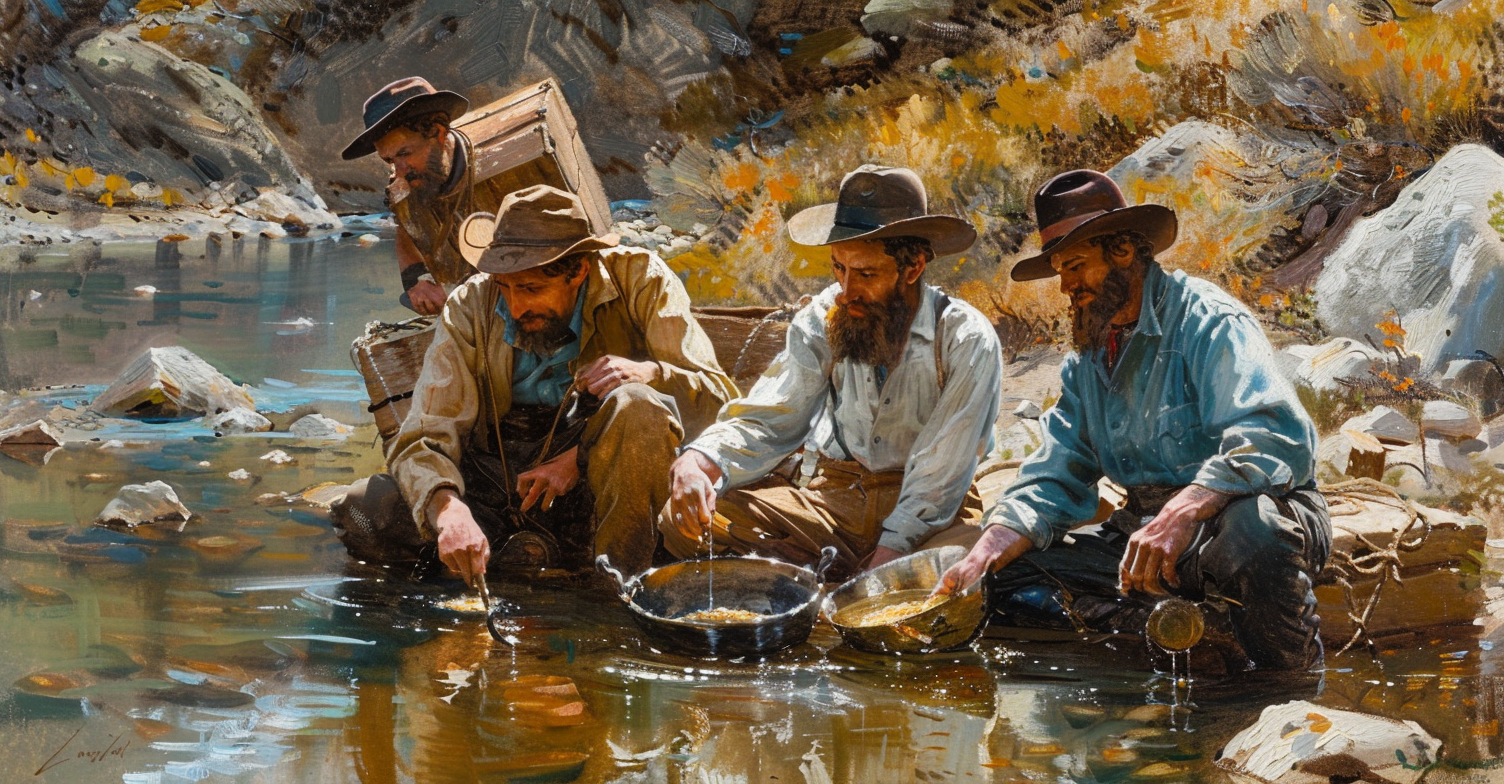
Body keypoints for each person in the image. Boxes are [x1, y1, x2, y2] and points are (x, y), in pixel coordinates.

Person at [935, 170, 1331, 671]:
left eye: (1075, 266)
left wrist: (1184, 511)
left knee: (1254, 533)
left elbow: (1277, 436)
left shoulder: (1209, 322)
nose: (1066, 287)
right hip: (1145, 533)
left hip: (1241, 514)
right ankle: (1171, 638)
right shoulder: (1087, 360)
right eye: (1059, 270)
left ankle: (1289, 688)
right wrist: (984, 551)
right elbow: (1058, 473)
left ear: (1123, 253)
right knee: (1000, 576)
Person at [331, 185, 738, 583]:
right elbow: (425, 434)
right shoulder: (473, 303)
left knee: (637, 404)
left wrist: (651, 375)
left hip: (604, 484)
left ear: (578, 271)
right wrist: (448, 509)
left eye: (531, 288)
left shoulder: (640, 279)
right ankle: (516, 562)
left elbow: (720, 400)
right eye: (505, 287)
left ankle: (620, 585)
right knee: (365, 508)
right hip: (499, 479)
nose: (516, 306)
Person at [661, 165, 1003, 580]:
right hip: (836, 501)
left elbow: (941, 473)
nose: (845, 290)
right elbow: (771, 418)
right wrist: (700, 460)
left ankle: (828, 580)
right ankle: (823, 581)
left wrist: (889, 553)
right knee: (686, 525)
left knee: (955, 563)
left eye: (865, 274)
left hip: (934, 514)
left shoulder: (966, 338)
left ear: (912, 268)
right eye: (838, 268)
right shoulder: (823, 317)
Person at [341, 77, 514, 315]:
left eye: (405, 153)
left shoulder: (507, 163)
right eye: (389, 160)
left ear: (438, 134)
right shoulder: (404, 184)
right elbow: (406, 228)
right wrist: (416, 279)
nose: (399, 170)